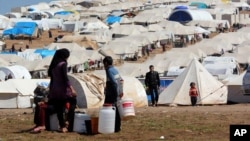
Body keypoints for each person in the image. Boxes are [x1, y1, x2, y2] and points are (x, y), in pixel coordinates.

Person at [47, 48, 77, 133]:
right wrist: (72, 89)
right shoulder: (63, 64)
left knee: (59, 107)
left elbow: (52, 80)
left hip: (55, 89)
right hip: (63, 89)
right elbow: (65, 77)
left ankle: (62, 126)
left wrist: (51, 90)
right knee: (73, 101)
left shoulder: (53, 65)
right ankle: (68, 120)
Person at [103, 56, 123, 132]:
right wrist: (121, 91)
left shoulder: (108, 70)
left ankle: (110, 126)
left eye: (104, 64)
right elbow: (121, 80)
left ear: (106, 63)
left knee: (108, 109)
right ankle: (117, 126)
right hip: (116, 92)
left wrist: (116, 93)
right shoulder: (115, 70)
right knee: (116, 109)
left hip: (112, 93)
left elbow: (114, 83)